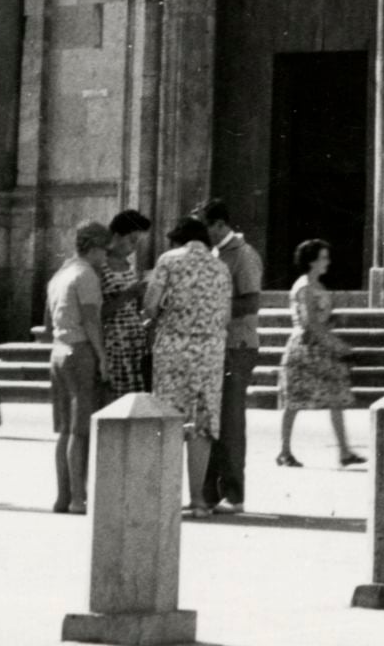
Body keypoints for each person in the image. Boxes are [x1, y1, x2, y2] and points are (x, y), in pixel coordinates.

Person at [142, 216, 232, 517]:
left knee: (170, 420)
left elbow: (150, 306)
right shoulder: (221, 267)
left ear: (179, 240)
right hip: (209, 354)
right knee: (202, 426)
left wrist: (162, 312)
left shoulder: (168, 260)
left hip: (173, 351)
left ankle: (168, 498)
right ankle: (198, 500)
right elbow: (225, 314)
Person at [197, 200, 265, 512]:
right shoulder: (213, 254)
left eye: (205, 226)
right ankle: (211, 493)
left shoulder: (243, 255)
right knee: (213, 421)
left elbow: (251, 303)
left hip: (237, 346)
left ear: (220, 225)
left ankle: (235, 495)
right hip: (216, 345)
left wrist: (209, 309)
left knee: (231, 423)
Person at [275, 239, 361, 468]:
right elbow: (310, 323)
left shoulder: (317, 285)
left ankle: (344, 451)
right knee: (294, 400)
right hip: (305, 348)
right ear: (311, 261)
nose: (327, 262)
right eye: (323, 257)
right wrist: (339, 346)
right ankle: (284, 451)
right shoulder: (304, 286)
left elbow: (319, 320)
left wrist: (333, 324)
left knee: (335, 395)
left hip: (321, 346)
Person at [45, 219, 111, 513]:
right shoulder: (86, 275)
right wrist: (102, 356)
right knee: (80, 430)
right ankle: (77, 497)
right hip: (80, 351)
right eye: (104, 250)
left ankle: (63, 496)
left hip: (58, 351)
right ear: (94, 248)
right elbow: (91, 320)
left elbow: (48, 322)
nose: (105, 257)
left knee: (64, 429)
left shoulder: (60, 275)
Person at [97, 210, 154, 403]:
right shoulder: (100, 266)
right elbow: (95, 312)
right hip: (113, 342)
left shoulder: (129, 266)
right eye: (132, 241)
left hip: (134, 341)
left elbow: (133, 307)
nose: (133, 248)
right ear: (116, 236)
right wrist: (127, 295)